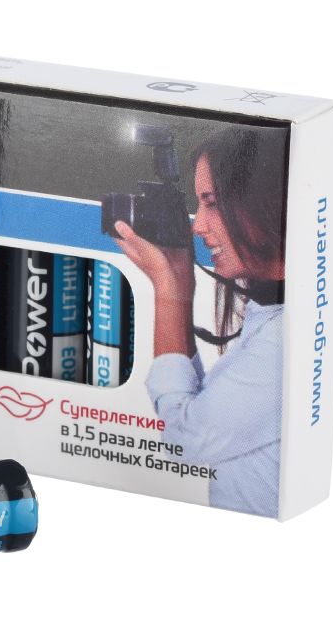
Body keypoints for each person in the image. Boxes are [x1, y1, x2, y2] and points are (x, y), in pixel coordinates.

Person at [114, 127, 286, 517]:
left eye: (212, 203)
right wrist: (179, 283)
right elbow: (206, 409)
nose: (198, 226)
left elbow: (184, 440)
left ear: (265, 202)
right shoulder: (270, 313)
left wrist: (166, 289)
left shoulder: (281, 341)